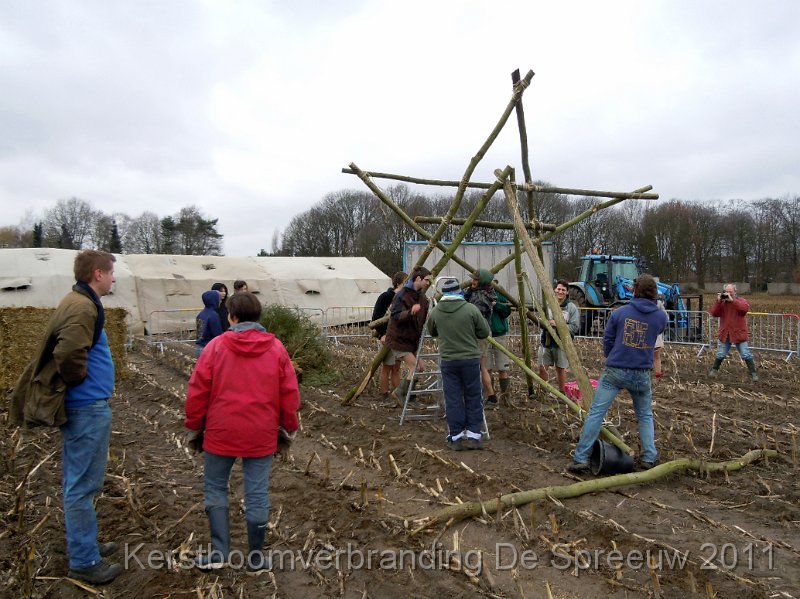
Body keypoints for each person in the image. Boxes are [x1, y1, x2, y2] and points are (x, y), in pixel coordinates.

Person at [10, 250, 122, 585]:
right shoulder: (83, 306)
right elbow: (69, 351)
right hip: (85, 406)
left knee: (83, 481)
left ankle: (86, 544)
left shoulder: (79, 301)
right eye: (111, 272)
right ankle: (85, 560)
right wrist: (79, 381)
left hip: (86, 405)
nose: (115, 278)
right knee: (82, 485)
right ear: (98, 273)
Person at [184, 292, 301, 572]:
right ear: (258, 318)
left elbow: (198, 391)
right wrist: (289, 426)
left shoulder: (215, 347)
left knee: (215, 487)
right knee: (257, 493)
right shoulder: (276, 349)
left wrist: (195, 425)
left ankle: (219, 553)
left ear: (232, 317)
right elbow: (289, 393)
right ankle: (256, 557)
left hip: (221, 431)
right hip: (260, 433)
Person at [568, 274, 668, 473]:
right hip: (642, 372)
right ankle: (649, 457)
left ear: (634, 290)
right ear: (654, 292)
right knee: (645, 415)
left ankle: (581, 458)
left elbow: (608, 338)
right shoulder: (660, 316)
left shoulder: (620, 313)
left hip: (616, 369)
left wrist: (611, 355)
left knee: (596, 412)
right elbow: (656, 337)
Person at [427, 279, 490, 450]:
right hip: (470, 359)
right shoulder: (470, 309)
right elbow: (484, 331)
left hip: (448, 360)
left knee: (453, 398)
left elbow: (431, 331)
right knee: (473, 396)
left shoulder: (436, 311)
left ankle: (455, 437)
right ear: (458, 292)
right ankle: (474, 436)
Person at [384, 266, 432, 400]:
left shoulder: (421, 297)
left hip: (412, 340)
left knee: (420, 367)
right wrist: (411, 312)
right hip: (399, 339)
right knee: (415, 367)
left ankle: (405, 393)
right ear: (418, 278)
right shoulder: (401, 295)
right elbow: (396, 316)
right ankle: (404, 395)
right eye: (426, 280)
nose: (428, 283)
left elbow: (424, 312)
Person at [709, 283, 759, 381]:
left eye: (730, 292)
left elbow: (744, 309)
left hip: (738, 333)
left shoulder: (741, 301)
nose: (728, 294)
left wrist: (732, 301)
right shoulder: (722, 303)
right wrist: (718, 301)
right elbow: (714, 313)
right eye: (726, 292)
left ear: (735, 292)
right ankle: (714, 370)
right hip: (726, 333)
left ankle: (753, 373)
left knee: (745, 354)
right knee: (721, 353)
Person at [538, 280, 580, 393]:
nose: (560, 291)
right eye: (558, 289)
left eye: (563, 290)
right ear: (555, 290)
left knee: (561, 369)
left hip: (562, 343)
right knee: (542, 367)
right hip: (545, 341)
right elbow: (540, 319)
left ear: (567, 292)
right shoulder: (548, 305)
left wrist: (558, 324)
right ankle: (543, 391)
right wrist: (544, 322)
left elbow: (575, 327)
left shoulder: (571, 308)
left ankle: (562, 393)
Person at [371, 271, 407, 402]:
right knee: (387, 366)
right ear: (398, 283)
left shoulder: (405, 297)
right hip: (388, 337)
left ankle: (397, 394)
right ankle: (384, 394)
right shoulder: (385, 297)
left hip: (400, 338)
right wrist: (382, 334)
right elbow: (376, 318)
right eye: (405, 282)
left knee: (397, 367)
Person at [464, 268, 497, 405]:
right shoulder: (477, 293)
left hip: (479, 334)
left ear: (482, 281)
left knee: (478, 366)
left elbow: (474, 317)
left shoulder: (481, 297)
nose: (472, 281)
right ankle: (491, 396)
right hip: (479, 333)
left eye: (476, 279)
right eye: (472, 279)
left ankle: (488, 396)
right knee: (480, 366)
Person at [487, 280, 512, 407]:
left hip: (499, 334)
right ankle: (490, 396)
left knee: (503, 367)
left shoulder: (500, 293)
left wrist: (496, 305)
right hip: (484, 335)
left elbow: (507, 310)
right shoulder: (478, 293)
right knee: (487, 368)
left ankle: (506, 397)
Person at [196, 290, 223, 356]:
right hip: (209, 349)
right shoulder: (213, 315)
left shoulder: (201, 314)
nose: (220, 301)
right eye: (218, 299)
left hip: (199, 347)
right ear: (214, 301)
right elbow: (217, 334)